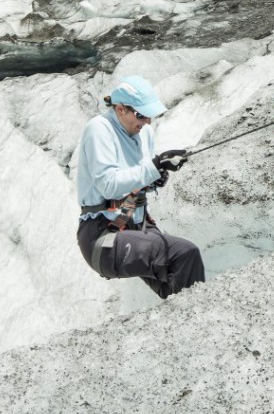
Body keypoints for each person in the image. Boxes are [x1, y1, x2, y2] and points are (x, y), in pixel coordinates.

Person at [76, 75, 204, 298]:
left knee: (174, 284)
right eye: (141, 115)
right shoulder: (99, 129)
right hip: (103, 235)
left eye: (149, 116)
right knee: (185, 254)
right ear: (120, 109)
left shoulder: (144, 132)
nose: (146, 122)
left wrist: (155, 178)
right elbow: (108, 186)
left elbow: (136, 179)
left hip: (134, 224)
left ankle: (184, 326)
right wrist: (153, 168)